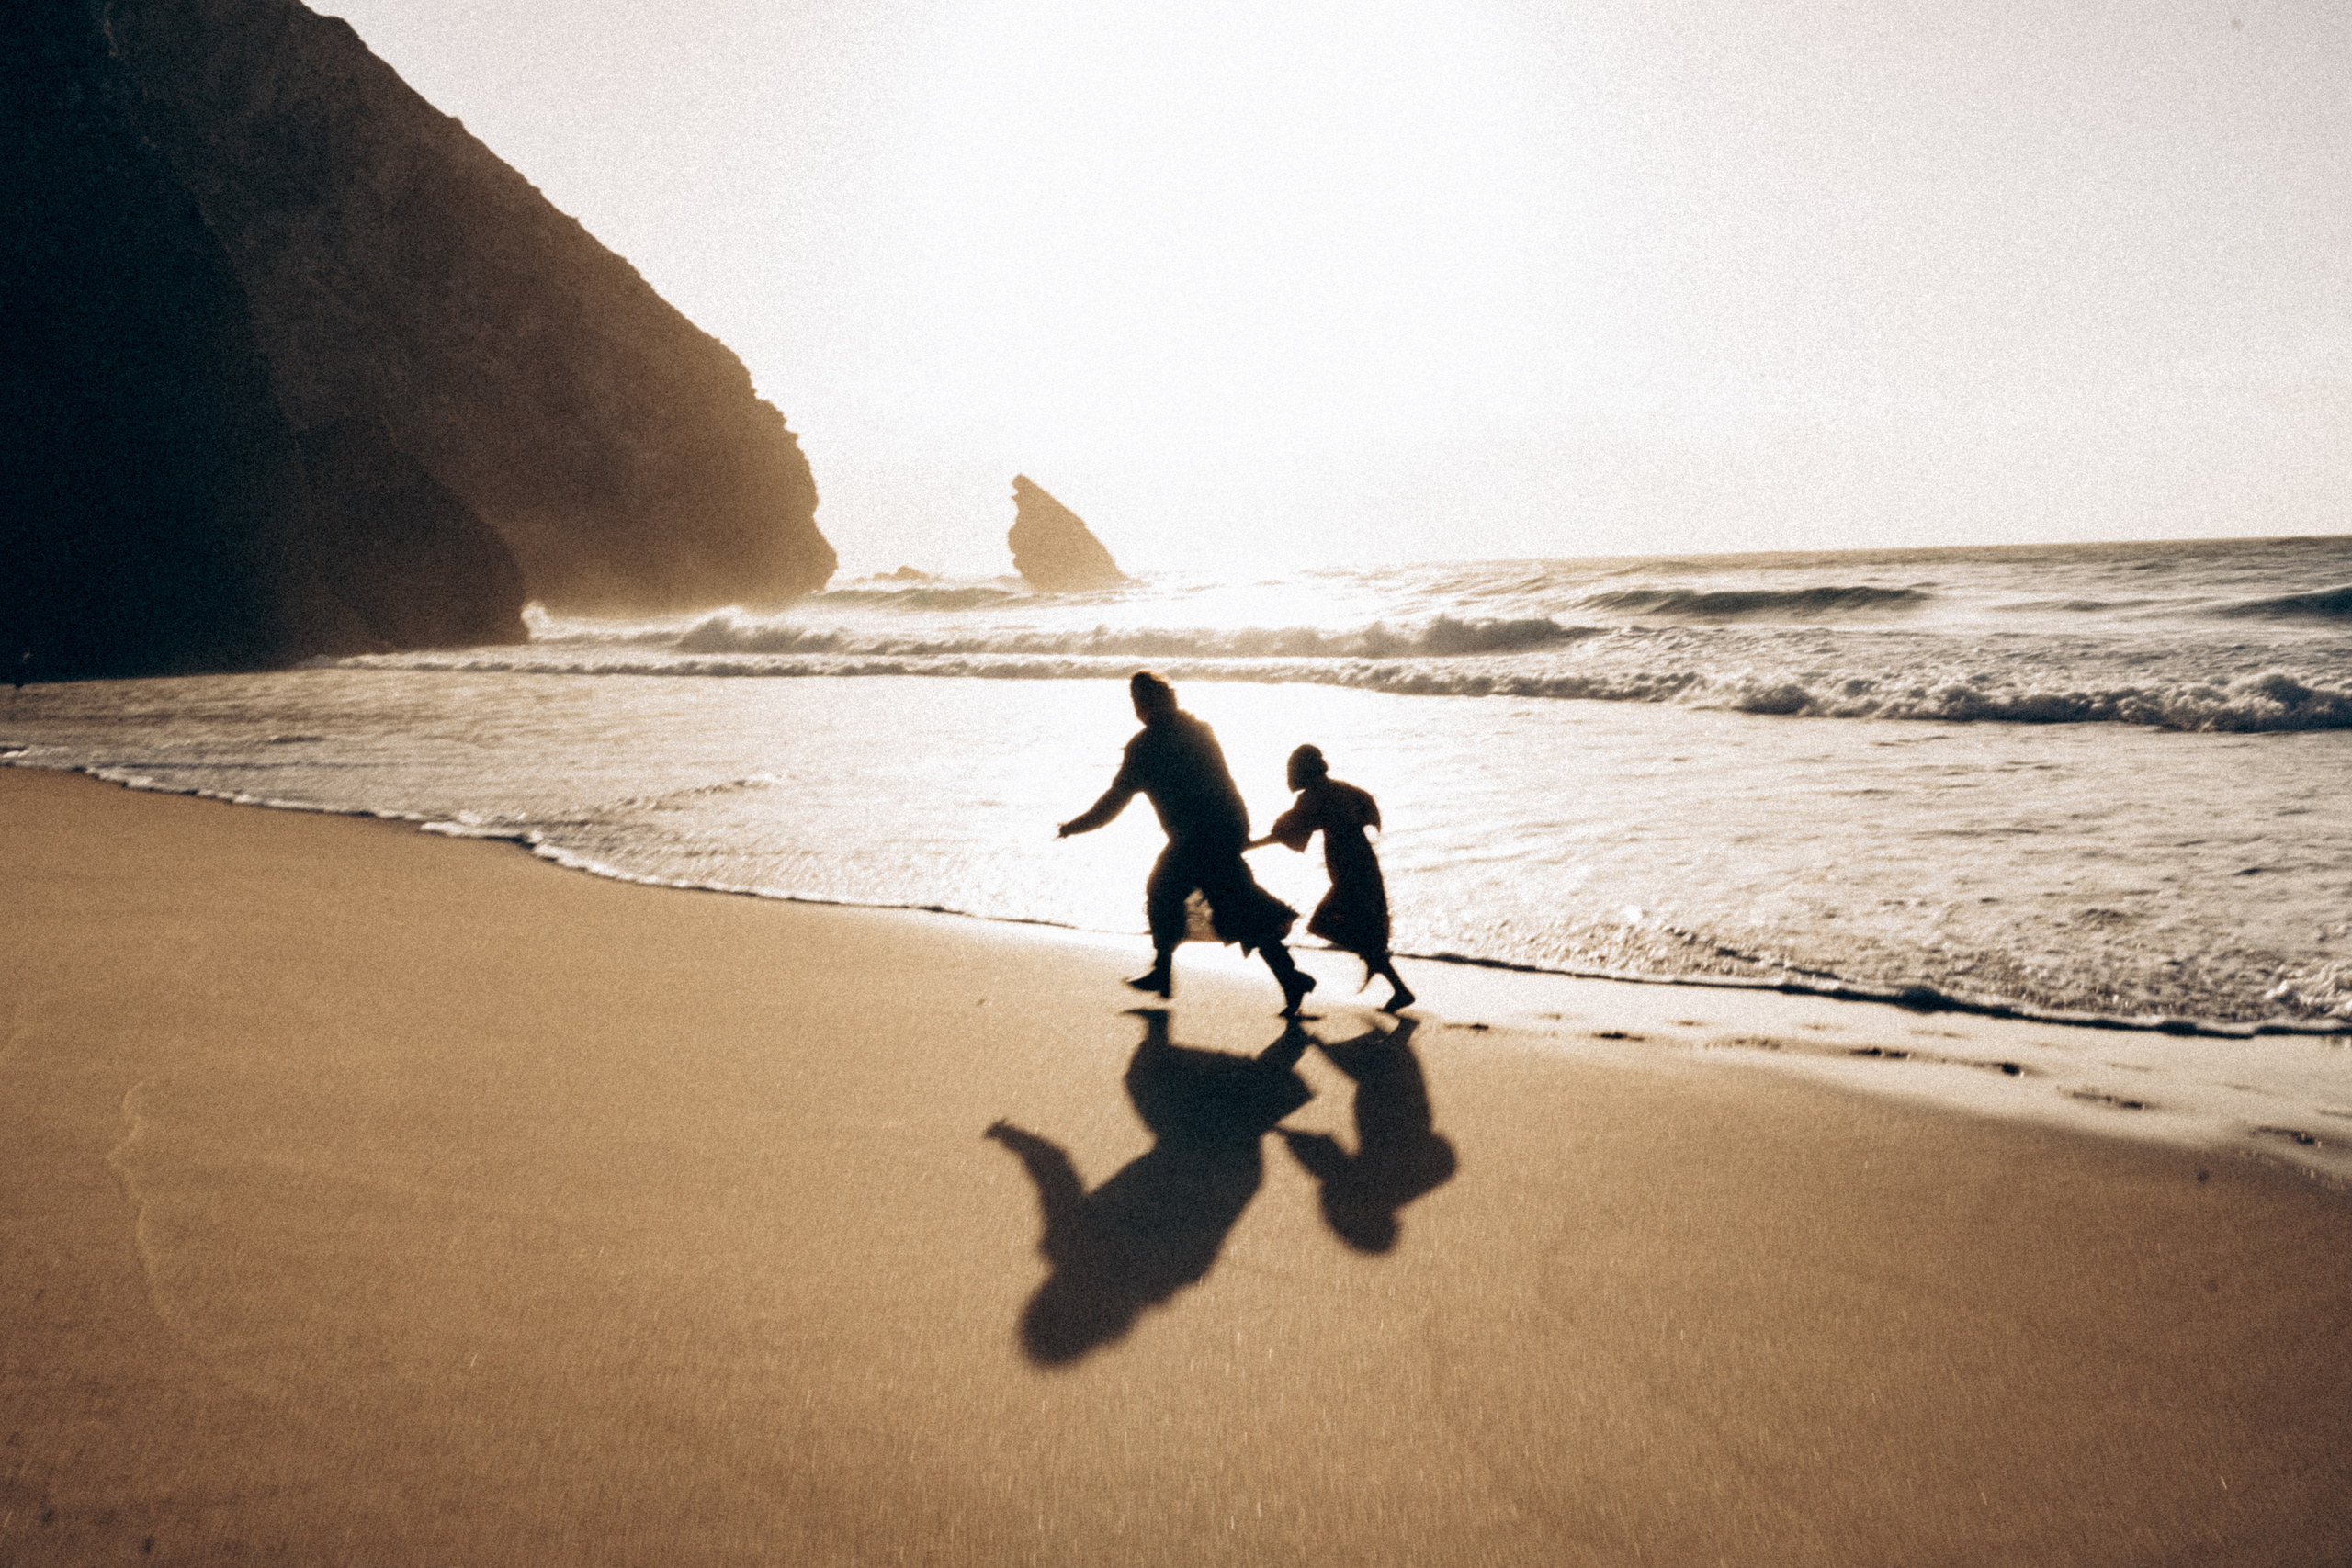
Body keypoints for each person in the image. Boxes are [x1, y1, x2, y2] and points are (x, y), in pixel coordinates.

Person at [1057, 671, 1317, 1014]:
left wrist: (1075, 826)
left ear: (1144, 705)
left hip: (1196, 838)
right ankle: (1287, 979)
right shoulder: (1198, 730)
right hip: (1227, 827)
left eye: (1137, 704)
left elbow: (1113, 803)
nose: (1137, 711)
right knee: (1234, 903)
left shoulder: (1144, 747)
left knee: (1166, 890)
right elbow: (1226, 783)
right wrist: (1239, 830)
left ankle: (1165, 972)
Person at [1250, 743, 1413, 1011]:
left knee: (1322, 924)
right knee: (1358, 928)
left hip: (1348, 871)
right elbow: (1364, 811)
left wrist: (1248, 846)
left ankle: (1381, 967)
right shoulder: (1344, 789)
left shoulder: (1313, 797)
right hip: (1364, 864)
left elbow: (1284, 833)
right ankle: (1389, 976)